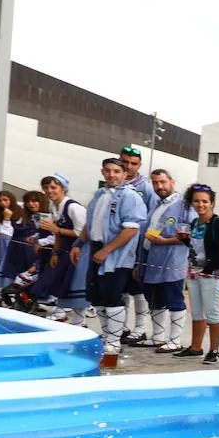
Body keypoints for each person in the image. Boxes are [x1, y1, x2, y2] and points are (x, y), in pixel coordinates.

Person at [70, 158, 147, 369]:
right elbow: (90, 222)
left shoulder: (130, 196)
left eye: (116, 171)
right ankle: (107, 336)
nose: (111, 175)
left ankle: (114, 343)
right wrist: (79, 243)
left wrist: (107, 250)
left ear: (124, 174)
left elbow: (131, 229)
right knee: (98, 297)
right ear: (102, 172)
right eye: (107, 171)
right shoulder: (99, 194)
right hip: (96, 250)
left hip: (117, 256)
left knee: (113, 298)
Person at [137, 169, 191, 352]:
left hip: (172, 261)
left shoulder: (184, 206)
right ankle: (158, 337)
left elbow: (191, 235)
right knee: (155, 299)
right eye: (155, 183)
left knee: (174, 298)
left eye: (162, 182)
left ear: (172, 182)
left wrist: (165, 241)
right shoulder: (156, 205)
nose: (159, 186)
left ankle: (175, 339)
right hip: (151, 259)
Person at [174, 184, 219, 364]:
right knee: (197, 312)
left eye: (205, 201)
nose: (200, 204)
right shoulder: (195, 222)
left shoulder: (217, 223)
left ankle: (214, 351)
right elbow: (195, 247)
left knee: (213, 313)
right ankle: (195, 348)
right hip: (194, 272)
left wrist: (209, 269)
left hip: (211, 275)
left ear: (212, 203)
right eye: (196, 201)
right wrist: (184, 240)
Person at [30, 174, 88, 325]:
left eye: (53, 187)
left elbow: (82, 232)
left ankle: (79, 321)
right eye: (46, 188)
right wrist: (55, 252)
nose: (49, 191)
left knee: (75, 285)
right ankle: (63, 313)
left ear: (63, 189)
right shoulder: (53, 206)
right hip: (64, 250)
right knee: (62, 282)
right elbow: (57, 232)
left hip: (78, 250)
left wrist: (58, 230)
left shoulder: (73, 207)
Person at [118, 146, 153, 346]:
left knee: (137, 288)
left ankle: (140, 328)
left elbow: (151, 217)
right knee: (121, 288)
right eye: (126, 162)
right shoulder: (115, 183)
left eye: (134, 163)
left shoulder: (145, 187)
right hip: (118, 247)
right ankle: (122, 327)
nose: (129, 166)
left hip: (137, 245)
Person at [0, 190, 49, 305]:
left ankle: (31, 302)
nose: (31, 204)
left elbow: (45, 235)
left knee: (31, 276)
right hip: (17, 249)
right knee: (19, 276)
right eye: (28, 201)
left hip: (33, 249)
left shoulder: (46, 216)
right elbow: (7, 233)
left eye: (35, 201)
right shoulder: (23, 214)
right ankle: (21, 302)